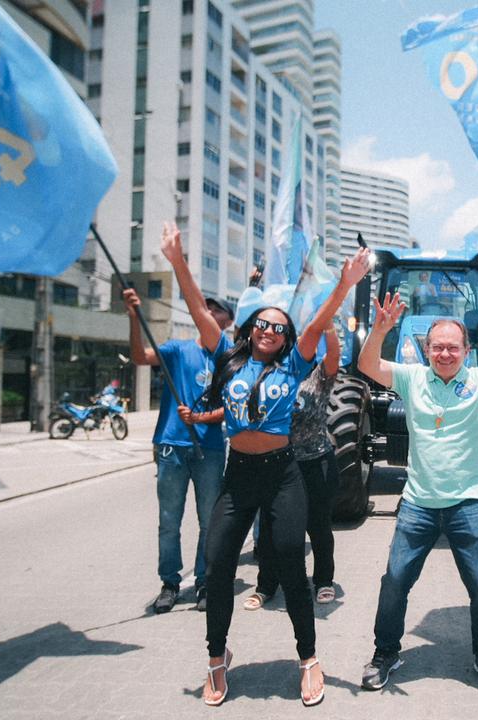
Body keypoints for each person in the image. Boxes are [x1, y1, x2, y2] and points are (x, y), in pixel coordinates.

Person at [166, 220, 372, 708]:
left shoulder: (295, 364)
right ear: (252, 327)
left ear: (287, 338)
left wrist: (345, 284)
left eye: (280, 328)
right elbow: (200, 312)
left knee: (288, 561)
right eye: (263, 323)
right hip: (237, 478)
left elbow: (320, 324)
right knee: (216, 566)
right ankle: (217, 659)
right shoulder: (230, 360)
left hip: (283, 474)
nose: (270, 331)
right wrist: (178, 264)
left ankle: (308, 658)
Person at [357, 294, 478, 695]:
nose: (445, 353)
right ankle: (385, 653)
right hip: (418, 503)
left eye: (454, 346)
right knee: (395, 581)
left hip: (468, 503)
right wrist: (380, 329)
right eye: (437, 346)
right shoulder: (411, 377)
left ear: (467, 352)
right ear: (426, 350)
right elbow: (367, 366)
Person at [124, 267, 232, 616]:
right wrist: (133, 317)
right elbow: (141, 357)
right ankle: (170, 583)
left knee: (207, 520)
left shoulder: (227, 357)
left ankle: (204, 581)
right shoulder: (176, 349)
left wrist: (201, 418)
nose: (210, 313)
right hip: (171, 444)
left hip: (211, 449)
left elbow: (232, 407)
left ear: (226, 323)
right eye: (207, 308)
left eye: (218, 312)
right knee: (169, 519)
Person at [245, 323, 343, 609]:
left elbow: (334, 355)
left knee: (319, 526)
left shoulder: (319, 376)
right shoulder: (271, 375)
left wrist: (328, 327)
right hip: (277, 461)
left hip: (316, 463)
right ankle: (266, 585)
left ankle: (323, 581)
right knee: (271, 528)